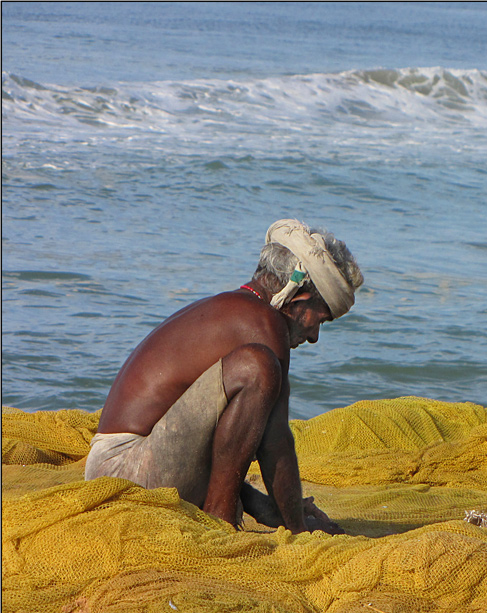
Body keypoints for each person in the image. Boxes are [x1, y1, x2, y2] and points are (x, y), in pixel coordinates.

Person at [85, 219, 363, 535]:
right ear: (298, 299)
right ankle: (220, 518)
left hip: (129, 465)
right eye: (320, 321)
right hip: (126, 471)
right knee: (257, 367)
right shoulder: (262, 324)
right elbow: (275, 444)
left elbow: (224, 439)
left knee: (253, 373)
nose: (313, 336)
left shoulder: (239, 309)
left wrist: (276, 506)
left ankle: (253, 506)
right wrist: (300, 531)